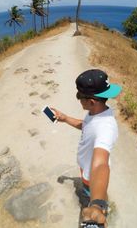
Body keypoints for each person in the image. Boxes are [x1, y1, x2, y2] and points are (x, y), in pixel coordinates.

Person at [51, 69, 121, 226]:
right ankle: (99, 200)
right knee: (88, 188)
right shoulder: (97, 112)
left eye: (79, 97)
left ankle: (101, 207)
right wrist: (66, 118)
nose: (78, 100)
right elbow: (86, 126)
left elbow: (101, 164)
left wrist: (96, 205)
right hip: (86, 166)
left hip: (92, 174)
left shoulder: (105, 127)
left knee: (91, 192)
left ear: (91, 101)